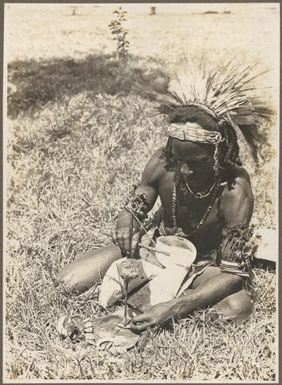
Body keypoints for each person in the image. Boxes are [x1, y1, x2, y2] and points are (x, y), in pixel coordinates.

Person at [55, 59, 272, 332]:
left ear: (219, 154)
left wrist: (174, 307)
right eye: (180, 160)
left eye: (197, 162)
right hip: (155, 247)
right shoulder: (163, 162)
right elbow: (136, 206)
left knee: (238, 308)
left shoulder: (235, 189)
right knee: (68, 281)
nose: (185, 170)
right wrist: (126, 223)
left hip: (203, 264)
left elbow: (233, 273)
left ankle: (173, 300)